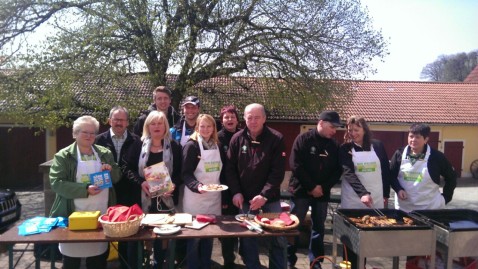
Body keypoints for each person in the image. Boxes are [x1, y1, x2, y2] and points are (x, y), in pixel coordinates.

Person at [49, 115, 120, 269]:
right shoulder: (64, 155)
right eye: (85, 132)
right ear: (75, 133)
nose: (89, 136)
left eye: (92, 133)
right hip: (73, 216)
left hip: (101, 214)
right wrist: (85, 189)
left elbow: (116, 177)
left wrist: (110, 170)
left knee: (98, 259)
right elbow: (57, 183)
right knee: (71, 261)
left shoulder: (104, 153)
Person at [226, 103, 287, 269]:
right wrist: (236, 192)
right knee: (248, 238)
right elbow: (230, 169)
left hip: (270, 198)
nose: (253, 121)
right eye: (249, 117)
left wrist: (264, 195)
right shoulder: (237, 139)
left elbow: (277, 172)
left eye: (257, 117)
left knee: (277, 237)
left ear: (264, 118)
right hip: (245, 199)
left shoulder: (276, 138)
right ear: (244, 118)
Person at [122, 110, 182, 269]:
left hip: (165, 201)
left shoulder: (174, 146)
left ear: (165, 126)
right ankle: (143, 263)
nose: (156, 126)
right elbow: (126, 168)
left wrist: (174, 185)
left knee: (163, 236)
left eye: (160, 123)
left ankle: (159, 263)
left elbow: (180, 173)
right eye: (153, 123)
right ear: (147, 126)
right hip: (142, 198)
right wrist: (141, 182)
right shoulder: (137, 145)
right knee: (143, 235)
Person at [287, 110, 342, 269]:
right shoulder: (303, 139)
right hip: (301, 191)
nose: (334, 131)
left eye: (336, 128)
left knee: (319, 228)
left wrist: (322, 188)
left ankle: (316, 262)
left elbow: (338, 170)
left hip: (322, 193)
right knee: (293, 226)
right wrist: (311, 187)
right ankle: (289, 260)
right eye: (332, 127)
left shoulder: (334, 145)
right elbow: (295, 165)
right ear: (321, 123)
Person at [338, 116, 391, 269]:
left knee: (368, 237)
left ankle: (362, 265)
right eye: (350, 130)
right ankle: (347, 267)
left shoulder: (378, 146)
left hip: (374, 197)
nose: (353, 133)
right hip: (353, 199)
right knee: (349, 237)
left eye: (357, 130)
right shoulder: (345, 149)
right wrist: (362, 193)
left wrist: (386, 194)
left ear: (364, 130)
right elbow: (348, 173)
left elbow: (385, 172)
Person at [95, 106, 140, 269]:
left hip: (130, 193)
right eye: (116, 119)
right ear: (109, 120)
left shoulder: (137, 141)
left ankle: (128, 265)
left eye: (122, 120)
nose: (119, 123)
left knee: (130, 234)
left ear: (127, 122)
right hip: (107, 192)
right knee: (104, 232)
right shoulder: (98, 140)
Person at [182, 114, 223, 269]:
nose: (206, 129)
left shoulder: (216, 145)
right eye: (202, 126)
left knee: (209, 235)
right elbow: (185, 173)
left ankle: (206, 264)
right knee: (194, 237)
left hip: (213, 197)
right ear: (197, 128)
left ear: (213, 128)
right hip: (195, 198)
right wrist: (197, 186)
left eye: (209, 126)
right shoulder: (191, 146)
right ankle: (192, 266)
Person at [390, 123, 457, 212]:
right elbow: (391, 176)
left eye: (417, 137)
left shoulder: (436, 157)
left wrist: (446, 198)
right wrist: (398, 189)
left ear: (426, 139)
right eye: (411, 136)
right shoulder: (399, 154)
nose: (413, 140)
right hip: (404, 208)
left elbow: (451, 177)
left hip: (430, 208)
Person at [217, 105, 241, 269]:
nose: (229, 119)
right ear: (222, 120)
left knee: (243, 224)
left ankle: (244, 255)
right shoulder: (218, 138)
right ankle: (228, 261)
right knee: (228, 228)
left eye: (232, 116)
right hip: (225, 190)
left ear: (237, 120)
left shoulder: (243, 136)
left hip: (243, 188)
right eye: (226, 117)